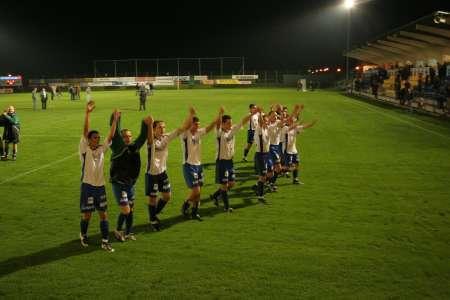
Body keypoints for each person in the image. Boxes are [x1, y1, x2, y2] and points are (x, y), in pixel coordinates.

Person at [79, 101, 119, 252]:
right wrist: (87, 113)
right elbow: (85, 131)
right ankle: (83, 234)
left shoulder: (102, 149)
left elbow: (111, 135)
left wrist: (115, 119)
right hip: (87, 186)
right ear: (89, 139)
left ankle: (105, 241)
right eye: (94, 137)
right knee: (87, 215)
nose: (97, 139)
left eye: (98, 137)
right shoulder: (84, 148)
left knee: (103, 214)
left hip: (100, 187)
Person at [146, 108, 195, 231]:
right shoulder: (150, 141)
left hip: (163, 172)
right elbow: (150, 139)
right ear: (154, 129)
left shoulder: (166, 137)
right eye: (160, 127)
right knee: (153, 198)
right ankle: (153, 220)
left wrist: (191, 114)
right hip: (152, 174)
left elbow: (183, 127)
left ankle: (153, 214)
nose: (163, 129)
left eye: (164, 127)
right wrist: (149, 125)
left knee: (167, 196)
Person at [109, 112, 153, 242]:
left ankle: (128, 232)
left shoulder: (134, 147)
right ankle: (118, 230)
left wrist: (145, 122)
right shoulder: (118, 147)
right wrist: (116, 118)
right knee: (126, 210)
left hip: (130, 184)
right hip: (119, 184)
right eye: (125, 137)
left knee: (131, 209)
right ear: (120, 139)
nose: (127, 139)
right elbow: (115, 134)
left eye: (129, 136)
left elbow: (143, 136)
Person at [180, 108, 222, 221]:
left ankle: (194, 213)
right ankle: (186, 204)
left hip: (198, 165)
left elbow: (211, 126)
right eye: (195, 125)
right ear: (191, 124)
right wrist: (191, 114)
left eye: (199, 125)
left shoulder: (199, 132)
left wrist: (220, 114)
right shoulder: (185, 134)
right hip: (188, 165)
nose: (198, 127)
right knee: (196, 191)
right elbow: (185, 125)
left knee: (199, 193)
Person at [210, 108, 255, 212]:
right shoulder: (219, 133)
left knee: (232, 184)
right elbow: (217, 124)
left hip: (230, 162)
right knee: (225, 185)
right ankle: (226, 207)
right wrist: (220, 113)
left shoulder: (232, 129)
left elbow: (242, 121)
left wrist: (252, 114)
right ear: (223, 124)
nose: (231, 124)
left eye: (231, 122)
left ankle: (215, 196)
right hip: (222, 162)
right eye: (228, 123)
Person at [281, 117, 317, 184]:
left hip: (294, 149)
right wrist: (297, 123)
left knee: (297, 164)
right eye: (291, 121)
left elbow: (304, 126)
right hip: (287, 150)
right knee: (288, 168)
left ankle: (295, 179)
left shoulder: (295, 128)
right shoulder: (284, 128)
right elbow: (293, 127)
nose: (292, 122)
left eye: (293, 121)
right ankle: (275, 170)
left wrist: (312, 123)